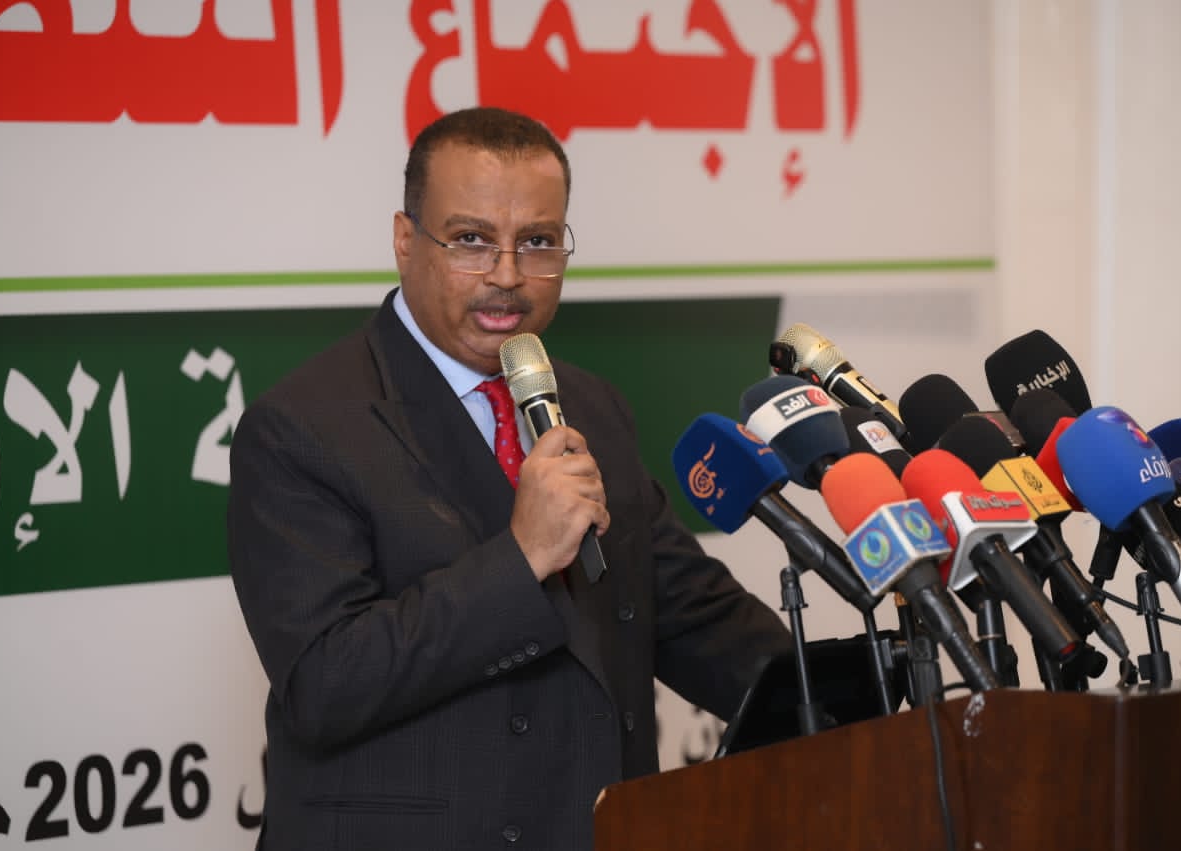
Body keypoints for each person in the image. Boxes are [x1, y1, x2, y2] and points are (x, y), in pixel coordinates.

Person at [227, 106, 792, 850]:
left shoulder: (590, 404)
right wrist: (521, 558)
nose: (507, 276)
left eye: (538, 242)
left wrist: (857, 685)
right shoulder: (301, 426)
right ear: (404, 241)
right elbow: (324, 683)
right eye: (471, 239)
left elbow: (687, 611)